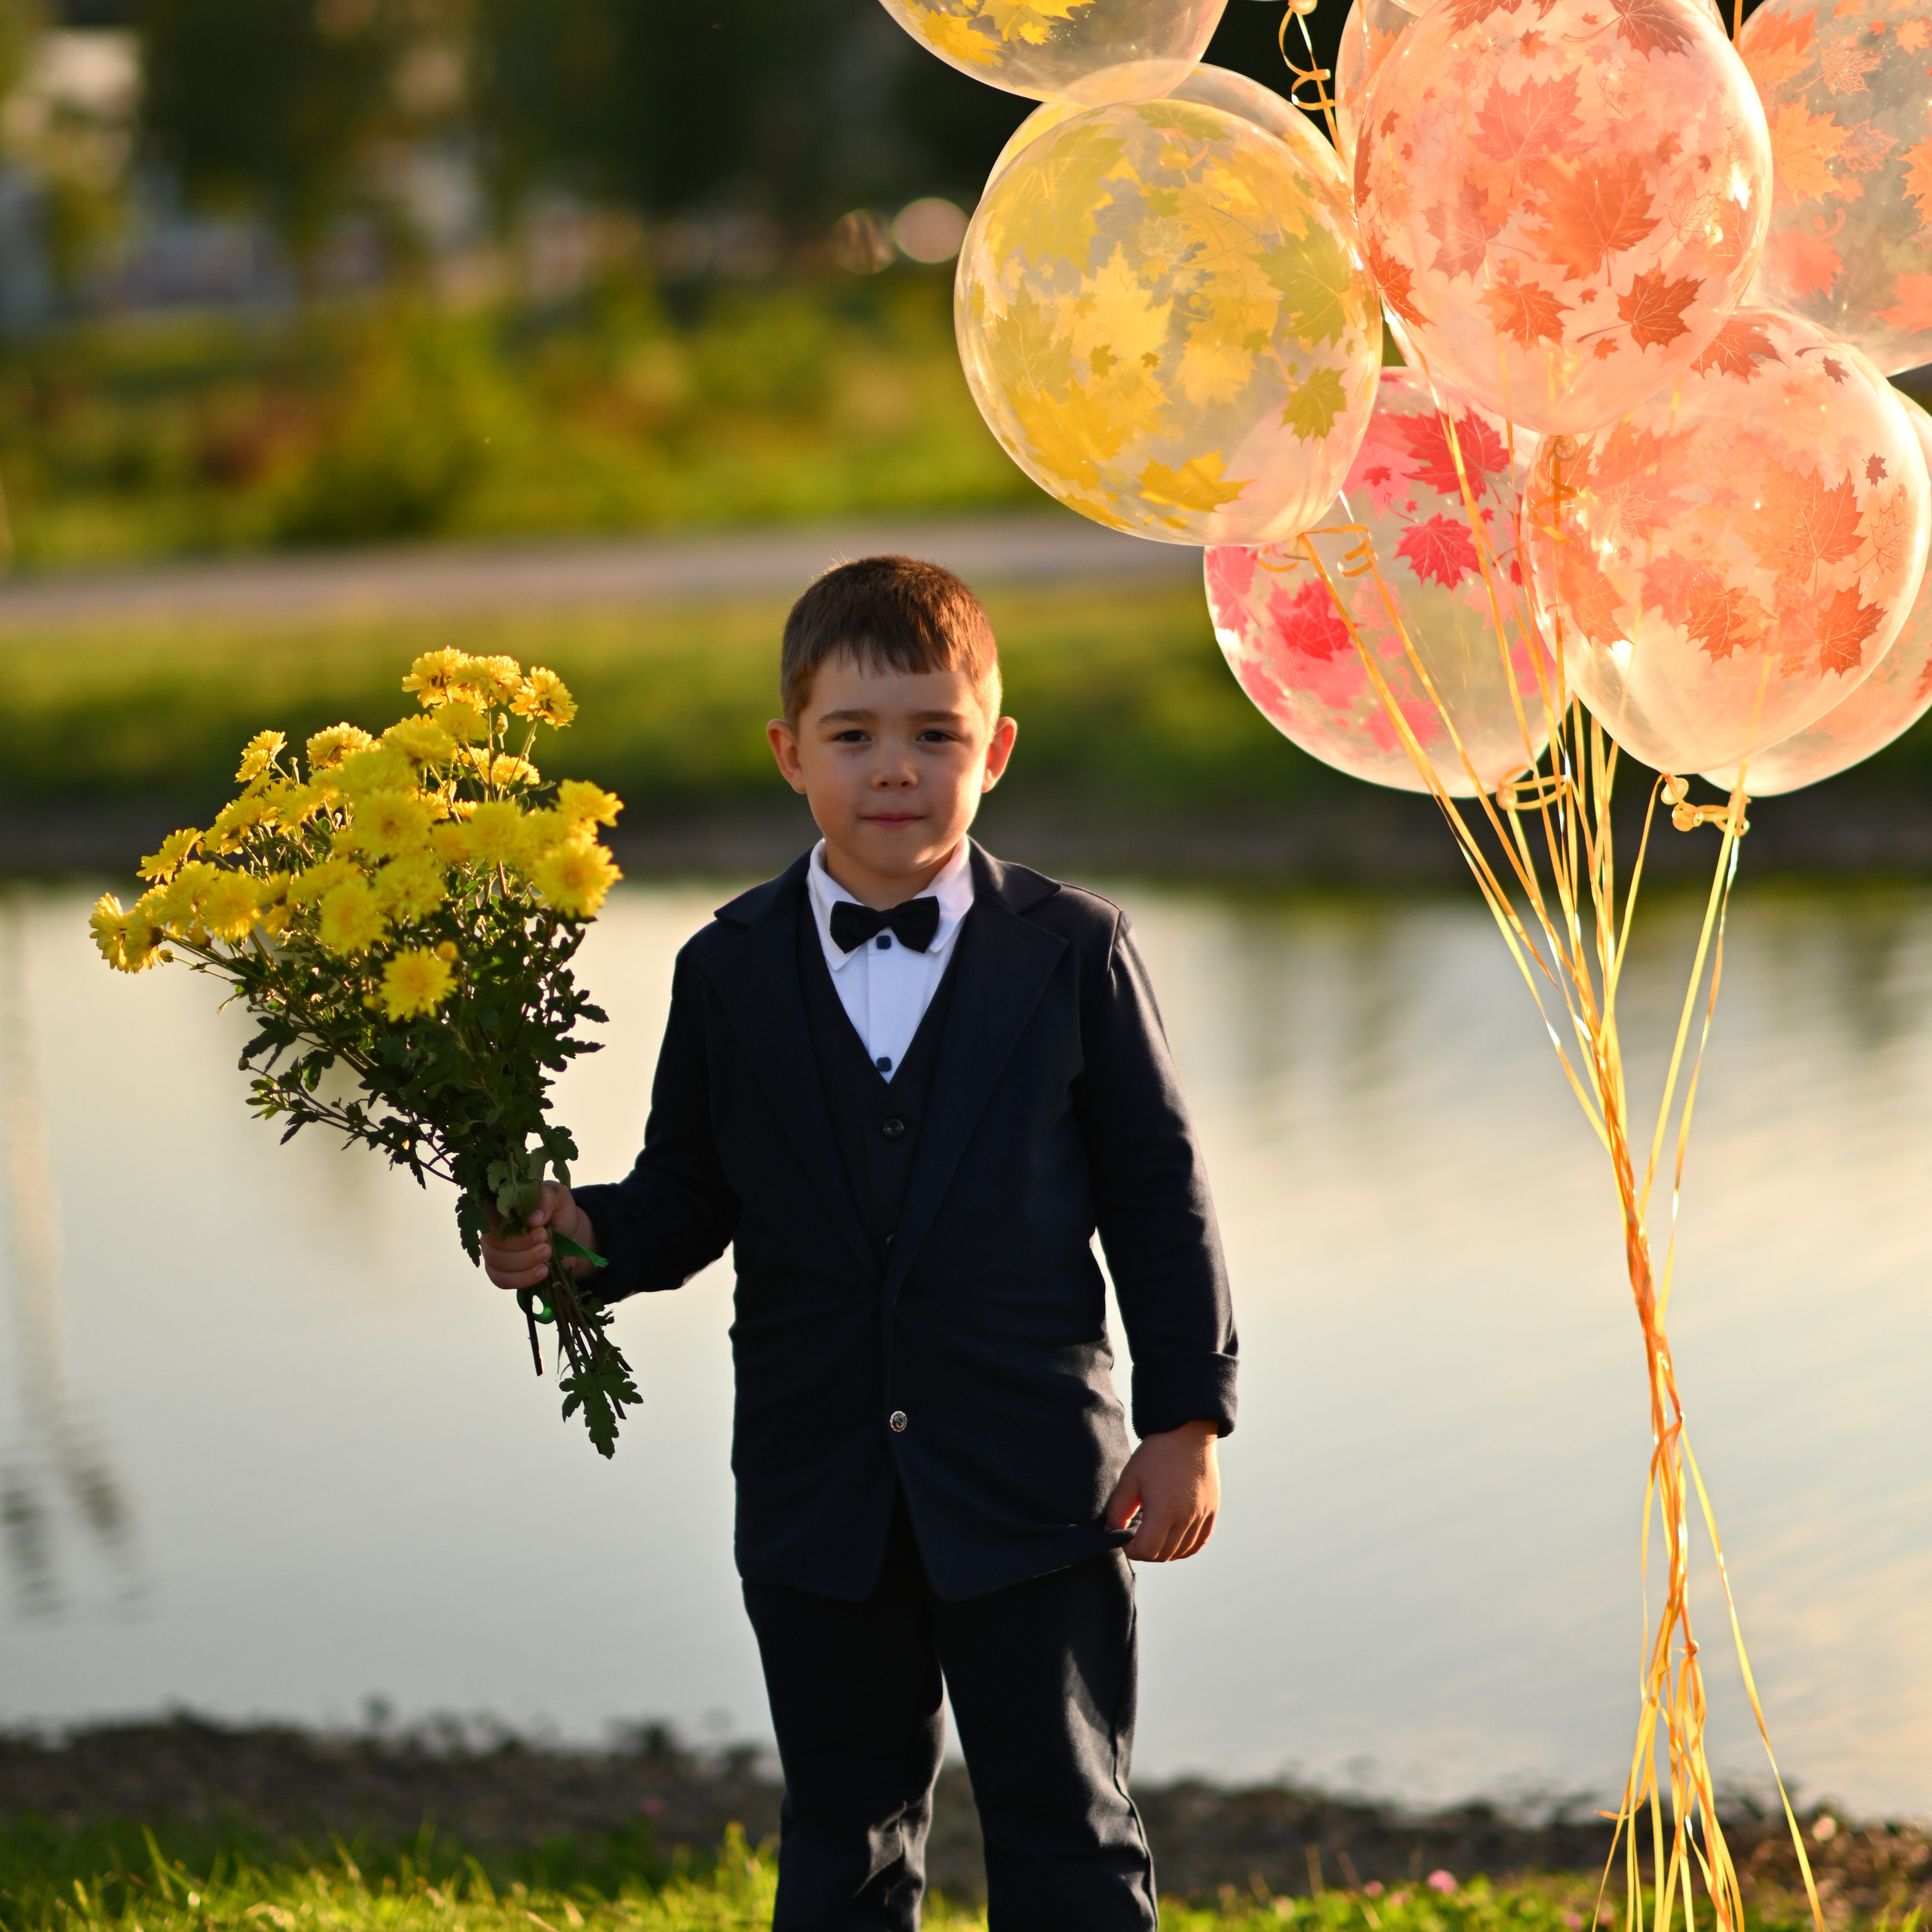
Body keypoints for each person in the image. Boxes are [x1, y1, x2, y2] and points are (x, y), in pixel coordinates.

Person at [479, 554, 1237, 1931]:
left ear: (993, 750)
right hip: (818, 1485)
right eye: (855, 736)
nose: (897, 769)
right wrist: (580, 1235)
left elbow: (1159, 1192)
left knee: (1068, 1821)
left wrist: (1187, 1419)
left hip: (1036, 1486)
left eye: (935, 734)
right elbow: (690, 1194)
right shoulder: (728, 966)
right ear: (789, 753)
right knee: (843, 1833)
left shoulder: (1073, 950)